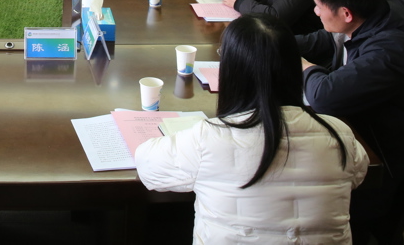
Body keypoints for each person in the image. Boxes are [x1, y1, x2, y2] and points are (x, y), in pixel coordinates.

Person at [136, 14, 368, 244]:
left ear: (232, 71)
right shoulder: (339, 134)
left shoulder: (207, 138)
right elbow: (359, 173)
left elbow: (147, 166)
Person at [297, 0, 404, 241]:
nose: (315, 12)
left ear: (346, 13)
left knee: (300, 183)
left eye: (318, 6)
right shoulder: (372, 5)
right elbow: (327, 39)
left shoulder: (390, 48)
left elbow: (324, 98)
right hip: (369, 120)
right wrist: (277, 44)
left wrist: (304, 66)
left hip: (394, 152)